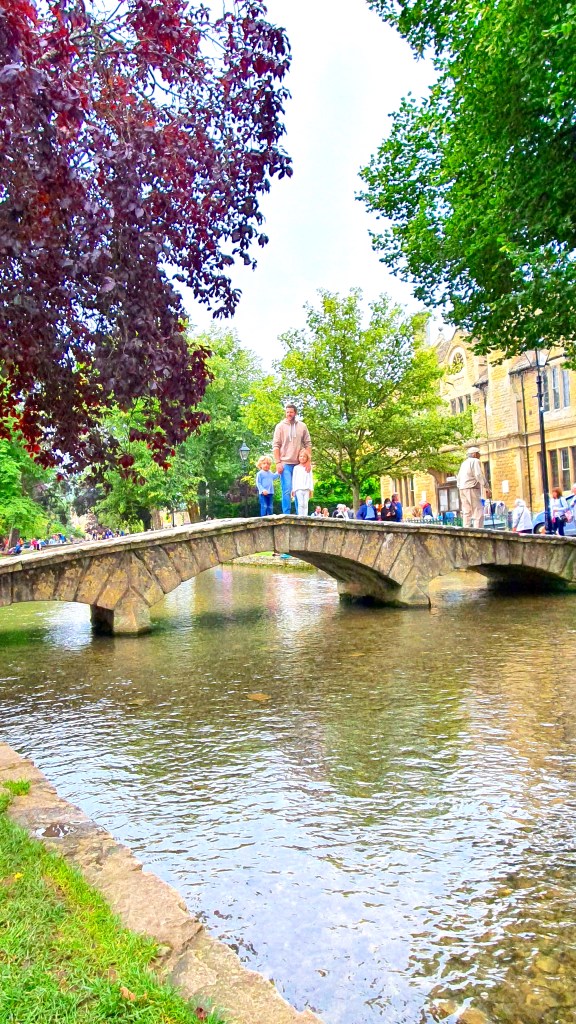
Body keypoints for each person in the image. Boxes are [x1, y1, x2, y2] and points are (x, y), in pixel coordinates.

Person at [272, 402, 312, 514]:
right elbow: (276, 445)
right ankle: (287, 514)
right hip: (285, 463)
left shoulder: (302, 426)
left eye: (291, 412)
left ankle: (301, 515)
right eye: (287, 412)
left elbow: (308, 443)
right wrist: (277, 462)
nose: (289, 414)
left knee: (299, 489)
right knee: (287, 489)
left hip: (299, 464)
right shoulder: (280, 427)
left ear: (295, 413)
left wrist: (308, 461)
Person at [456, 446, 488, 528]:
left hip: (462, 488)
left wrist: (460, 486)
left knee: (466, 511)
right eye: (478, 453)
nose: (479, 455)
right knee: (478, 510)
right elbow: (478, 474)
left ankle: (466, 529)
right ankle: (478, 530)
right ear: (474, 454)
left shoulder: (464, 463)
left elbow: (458, 477)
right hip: (471, 487)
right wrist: (486, 486)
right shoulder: (475, 461)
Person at [291, 449, 314, 517]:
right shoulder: (296, 468)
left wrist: (311, 489)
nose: (302, 458)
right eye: (301, 456)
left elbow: (310, 478)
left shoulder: (308, 468)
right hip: (299, 489)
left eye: (304, 456)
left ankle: (305, 516)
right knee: (300, 504)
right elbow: (294, 479)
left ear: (307, 458)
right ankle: (301, 516)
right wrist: (293, 489)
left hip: (306, 489)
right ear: (298, 457)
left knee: (305, 504)